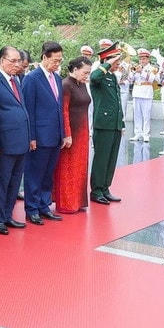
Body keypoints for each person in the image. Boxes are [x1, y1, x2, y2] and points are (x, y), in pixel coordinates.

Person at [0, 46, 30, 235]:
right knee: (1, 182)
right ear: (2, 61)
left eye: (19, 61)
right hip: (3, 142)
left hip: (20, 140)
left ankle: (7, 215)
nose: (17, 64)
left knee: (14, 182)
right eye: (13, 61)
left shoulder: (17, 80)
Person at [22, 41, 67, 224]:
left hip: (55, 135)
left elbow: (59, 108)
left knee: (48, 173)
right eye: (55, 60)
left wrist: (62, 133)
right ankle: (31, 208)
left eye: (60, 61)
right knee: (34, 173)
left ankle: (43, 205)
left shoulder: (56, 78)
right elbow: (28, 110)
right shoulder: (32, 78)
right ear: (44, 57)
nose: (57, 64)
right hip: (39, 136)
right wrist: (31, 136)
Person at [54, 56, 92, 213]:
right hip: (71, 133)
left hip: (83, 131)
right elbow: (63, 111)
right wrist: (67, 134)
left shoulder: (82, 84)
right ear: (75, 69)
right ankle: (66, 203)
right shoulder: (66, 85)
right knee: (68, 168)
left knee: (80, 168)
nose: (87, 76)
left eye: (89, 73)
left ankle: (78, 201)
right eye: (85, 72)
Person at [89, 43, 124, 203]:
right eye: (116, 61)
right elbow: (94, 77)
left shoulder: (113, 76)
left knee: (111, 159)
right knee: (101, 159)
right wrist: (107, 63)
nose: (118, 64)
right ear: (106, 61)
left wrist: (121, 123)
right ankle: (96, 191)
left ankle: (105, 187)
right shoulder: (100, 76)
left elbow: (117, 101)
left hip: (114, 124)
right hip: (103, 124)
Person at [128, 48, 155, 142]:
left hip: (146, 93)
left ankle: (146, 134)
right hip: (136, 93)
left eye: (144, 59)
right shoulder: (136, 67)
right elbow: (130, 80)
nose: (142, 61)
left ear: (148, 59)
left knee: (146, 115)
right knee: (137, 115)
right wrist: (132, 72)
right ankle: (138, 133)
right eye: (140, 59)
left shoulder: (151, 68)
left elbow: (151, 80)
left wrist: (142, 72)